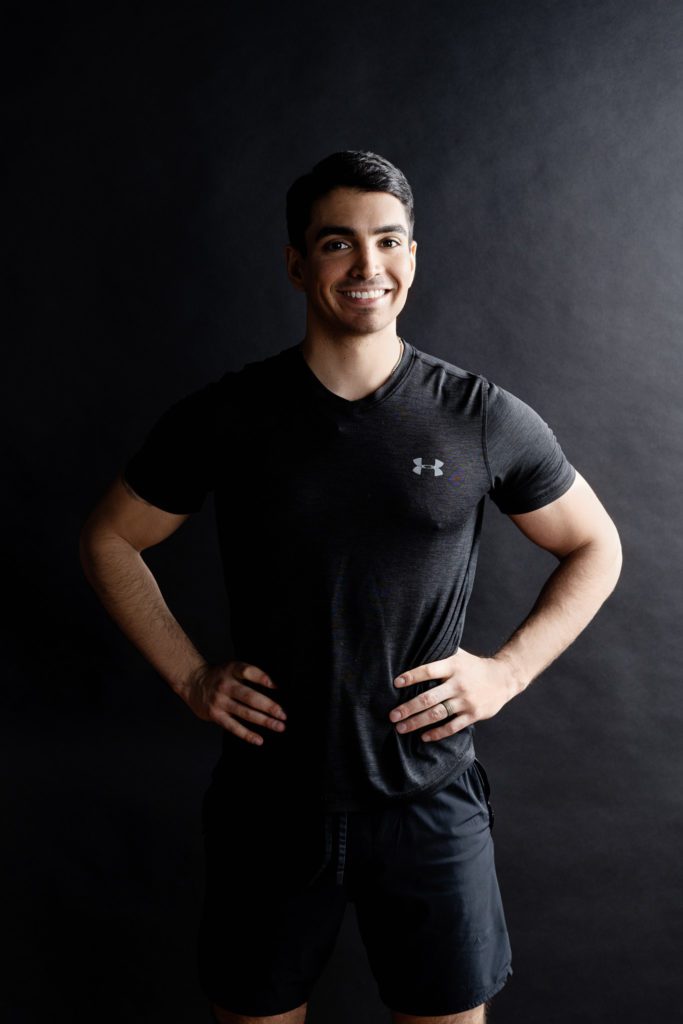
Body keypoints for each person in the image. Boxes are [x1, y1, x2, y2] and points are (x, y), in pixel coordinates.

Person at [79, 150, 622, 1024]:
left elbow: (595, 545)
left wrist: (508, 672)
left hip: (429, 803)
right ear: (297, 263)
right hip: (268, 804)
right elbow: (109, 538)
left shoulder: (477, 415)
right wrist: (189, 675)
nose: (368, 265)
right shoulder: (230, 414)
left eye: (389, 241)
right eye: (338, 243)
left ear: (412, 255)